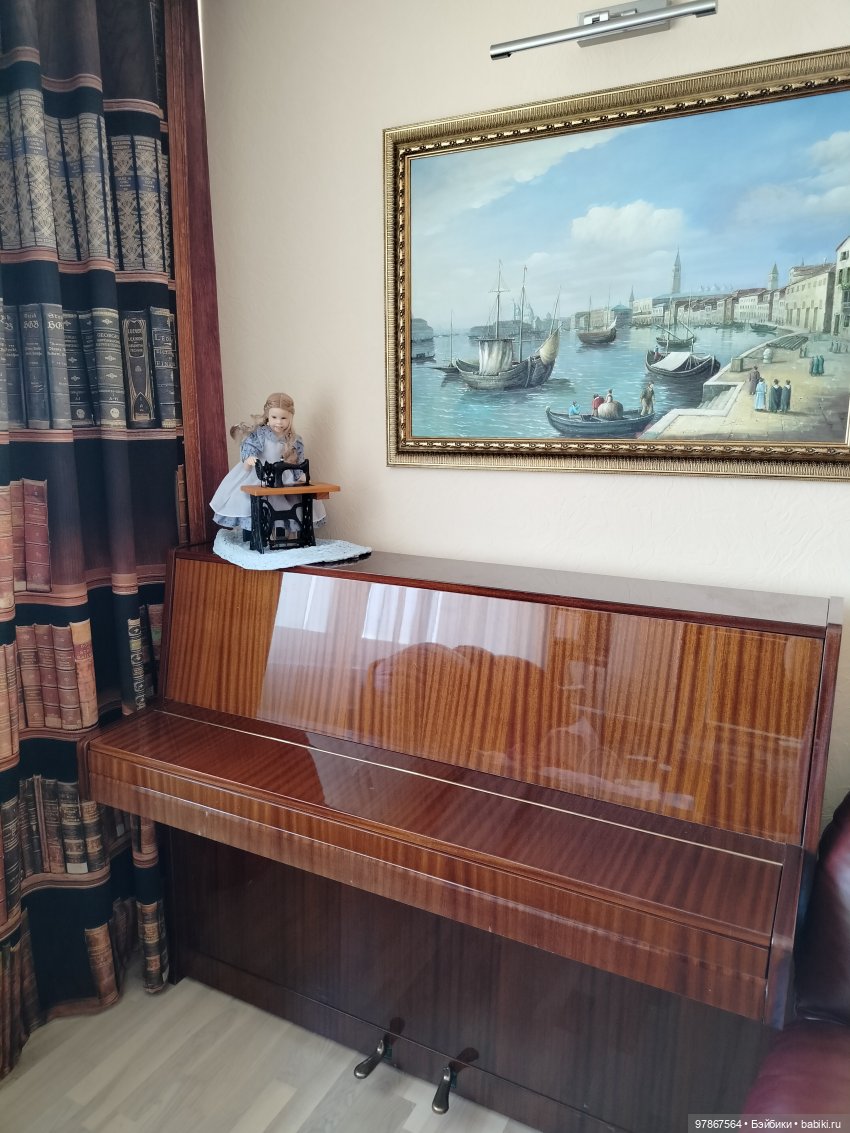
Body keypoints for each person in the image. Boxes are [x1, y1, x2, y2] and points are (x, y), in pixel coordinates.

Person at [209, 391, 326, 536]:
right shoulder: (260, 435)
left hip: (284, 479)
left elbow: (299, 463)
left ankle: (282, 538)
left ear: (291, 417)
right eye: (274, 417)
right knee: (248, 502)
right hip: (258, 476)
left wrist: (302, 476)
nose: (279, 422)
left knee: (290, 503)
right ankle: (251, 537)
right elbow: (248, 453)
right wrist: (249, 459)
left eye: (283, 418)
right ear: (267, 416)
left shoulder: (295, 440)